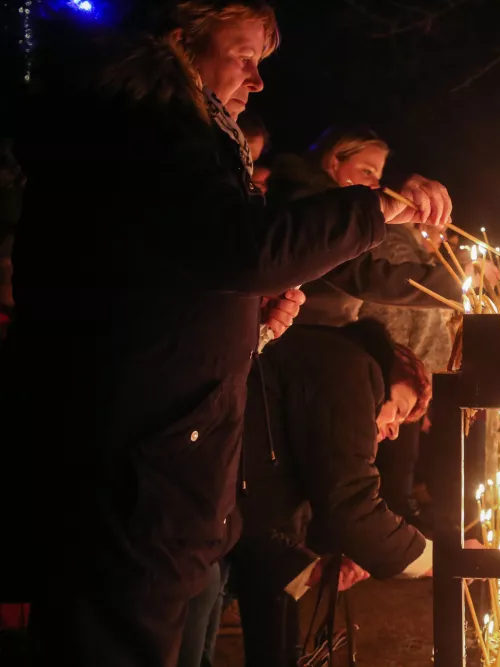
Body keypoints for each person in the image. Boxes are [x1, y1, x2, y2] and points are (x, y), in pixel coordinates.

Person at [0, 3, 451, 665]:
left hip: (162, 466)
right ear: (180, 46)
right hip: (135, 472)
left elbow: (181, 280)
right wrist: (375, 208)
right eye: (244, 57)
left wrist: (249, 323)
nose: (257, 82)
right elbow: (240, 248)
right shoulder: (152, 130)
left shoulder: (167, 135)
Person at [231, 320, 446, 666]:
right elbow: (353, 508)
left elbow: (258, 511)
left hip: (212, 527)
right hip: (186, 525)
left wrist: (312, 568)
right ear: (384, 378)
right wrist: (439, 558)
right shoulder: (352, 372)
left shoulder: (332, 367)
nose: (393, 433)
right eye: (399, 411)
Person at [267, 127, 488, 328]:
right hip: (307, 332)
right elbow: (367, 277)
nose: (375, 184)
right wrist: (461, 279)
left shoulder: (339, 213)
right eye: (367, 171)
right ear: (334, 161)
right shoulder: (307, 205)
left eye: (378, 176)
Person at [359, 223, 461, 528]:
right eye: (438, 222)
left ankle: (398, 519)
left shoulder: (415, 250)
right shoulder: (394, 243)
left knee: (402, 453)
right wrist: (405, 376)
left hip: (410, 378)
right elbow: (400, 312)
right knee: (396, 460)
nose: (444, 232)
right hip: (401, 375)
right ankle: (395, 518)